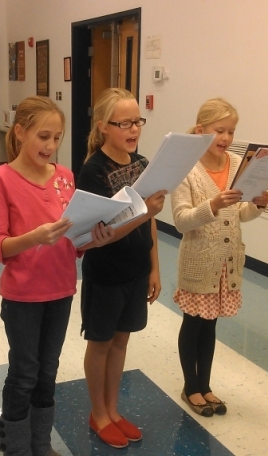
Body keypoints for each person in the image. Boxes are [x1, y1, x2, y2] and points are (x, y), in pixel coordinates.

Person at [0, 96, 113, 456]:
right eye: (43, 136)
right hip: (23, 296)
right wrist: (34, 237)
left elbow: (72, 243)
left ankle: (40, 445)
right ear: (21, 132)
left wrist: (91, 240)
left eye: (56, 137)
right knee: (24, 372)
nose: (51, 145)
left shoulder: (65, 177)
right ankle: (16, 447)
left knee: (47, 372)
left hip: (60, 290)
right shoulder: (1, 179)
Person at [77, 88, 167, 449]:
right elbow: (102, 236)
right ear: (103, 127)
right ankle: (97, 412)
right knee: (100, 344)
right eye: (123, 123)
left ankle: (113, 409)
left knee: (121, 341)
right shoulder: (93, 171)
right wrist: (145, 210)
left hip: (135, 270)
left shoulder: (142, 165)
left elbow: (151, 224)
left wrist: (154, 268)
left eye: (137, 121)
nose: (133, 129)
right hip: (107, 272)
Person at [171, 98, 268, 417]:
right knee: (194, 324)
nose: (226, 138)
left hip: (227, 263)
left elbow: (240, 213)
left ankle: (206, 384)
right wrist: (212, 206)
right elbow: (181, 220)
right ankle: (190, 387)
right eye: (219, 131)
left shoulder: (236, 164)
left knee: (210, 326)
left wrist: (258, 204)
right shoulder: (186, 168)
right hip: (198, 263)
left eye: (231, 131)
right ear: (201, 131)